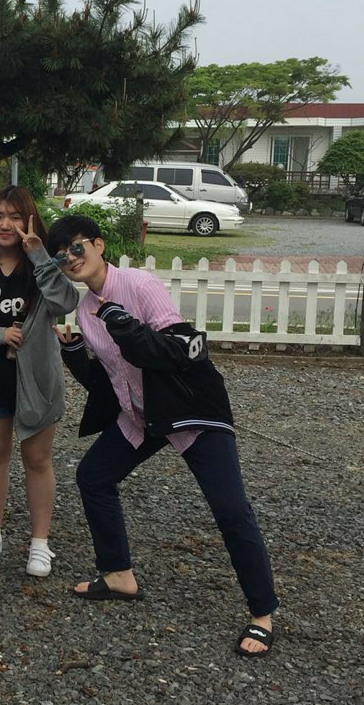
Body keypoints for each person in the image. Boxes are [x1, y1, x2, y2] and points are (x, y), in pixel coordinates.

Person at [44, 214, 279, 657]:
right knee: (93, 476)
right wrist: (74, 352)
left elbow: (179, 351)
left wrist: (121, 321)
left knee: (230, 508)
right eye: (59, 257)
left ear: (98, 245)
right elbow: (107, 383)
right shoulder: (86, 311)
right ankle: (118, 574)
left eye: (76, 247)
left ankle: (262, 612)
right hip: (143, 415)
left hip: (190, 409)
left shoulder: (139, 284)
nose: (70, 259)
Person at [0, 186, 79, 577]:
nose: (5, 225)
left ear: (29, 220)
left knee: (38, 459)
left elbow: (65, 302)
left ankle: (40, 542)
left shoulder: (41, 262)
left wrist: (38, 255)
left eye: (14, 217)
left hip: (37, 379)